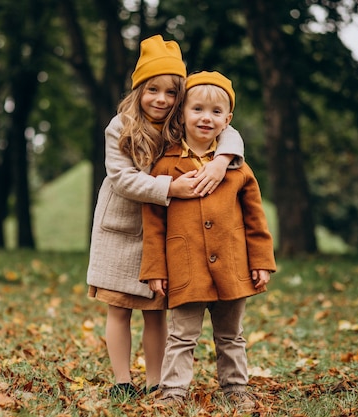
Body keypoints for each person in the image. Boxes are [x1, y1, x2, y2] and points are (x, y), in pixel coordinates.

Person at [86, 36, 245, 399]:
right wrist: (171, 189)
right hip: (121, 227)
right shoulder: (120, 126)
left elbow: (228, 129)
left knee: (156, 309)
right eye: (152, 89)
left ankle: (156, 381)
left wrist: (222, 161)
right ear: (139, 89)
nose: (161, 99)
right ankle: (122, 381)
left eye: (172, 93)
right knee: (119, 308)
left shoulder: (181, 123)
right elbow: (122, 178)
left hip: (166, 229)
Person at [139, 71, 276, 411]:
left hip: (232, 264)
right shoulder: (165, 165)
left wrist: (261, 261)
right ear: (182, 112)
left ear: (228, 120)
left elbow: (255, 219)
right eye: (197, 109)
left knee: (231, 335)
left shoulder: (238, 169)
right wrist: (155, 268)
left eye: (216, 113)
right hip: (186, 266)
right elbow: (153, 223)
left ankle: (236, 387)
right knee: (182, 335)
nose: (206, 118)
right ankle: (173, 391)